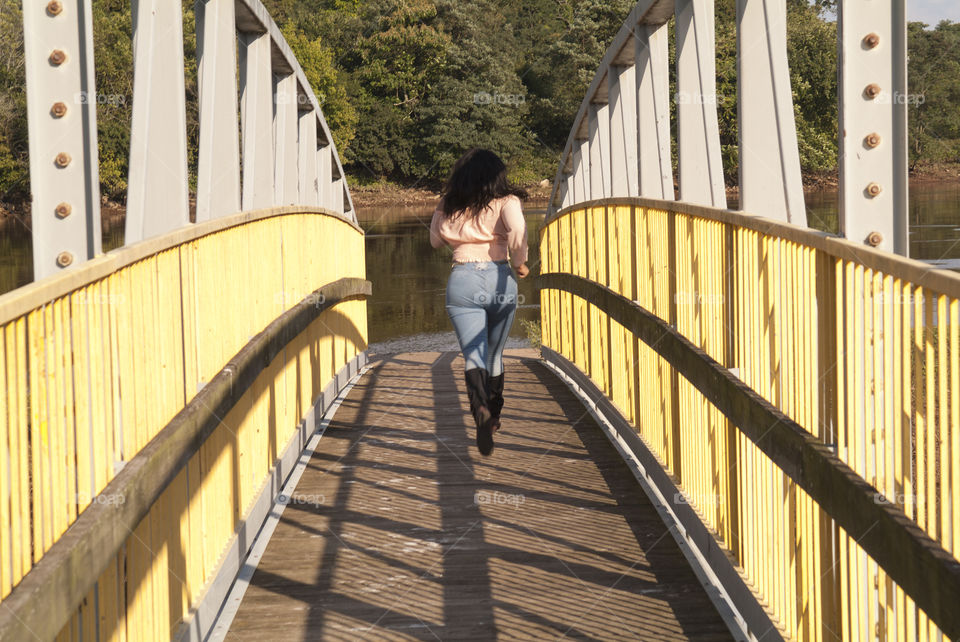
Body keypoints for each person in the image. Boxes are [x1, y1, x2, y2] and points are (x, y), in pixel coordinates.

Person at [429, 149, 529, 456]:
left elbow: (435, 240)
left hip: (462, 280)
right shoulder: (507, 201)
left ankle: (480, 413)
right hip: (499, 278)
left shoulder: (449, 203)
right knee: (495, 353)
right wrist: (520, 263)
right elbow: (518, 231)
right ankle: (494, 415)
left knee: (473, 354)